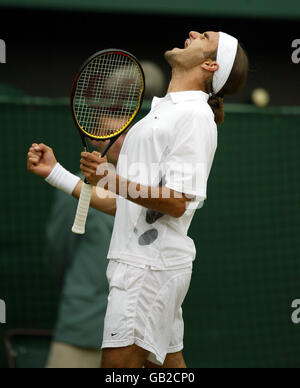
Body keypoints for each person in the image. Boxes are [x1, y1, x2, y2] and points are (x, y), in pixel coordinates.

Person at [27, 31, 248, 368]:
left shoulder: (194, 116)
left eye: (203, 36)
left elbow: (177, 201)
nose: (191, 33)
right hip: (148, 266)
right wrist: (56, 172)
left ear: (210, 63)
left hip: (148, 269)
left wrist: (114, 180)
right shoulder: (163, 113)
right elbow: (127, 206)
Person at [44, 135, 126, 368]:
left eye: (125, 134)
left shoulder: (147, 193)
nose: (119, 142)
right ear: (95, 141)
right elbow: (59, 251)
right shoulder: (75, 189)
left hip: (132, 334)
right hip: (81, 327)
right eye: (111, 135)